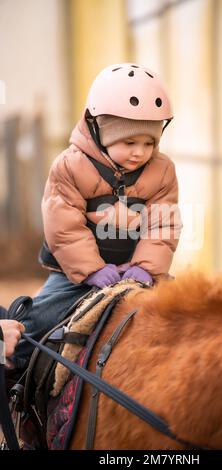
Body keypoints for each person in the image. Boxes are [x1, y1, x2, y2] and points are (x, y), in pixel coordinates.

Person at [11, 63, 182, 370]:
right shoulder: (69, 166)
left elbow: (163, 224)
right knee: (36, 324)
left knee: (185, 317)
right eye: (129, 142)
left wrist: (145, 268)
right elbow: (64, 226)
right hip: (74, 276)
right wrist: (90, 270)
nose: (140, 152)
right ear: (99, 130)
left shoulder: (163, 170)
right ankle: (15, 383)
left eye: (149, 143)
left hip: (137, 272)